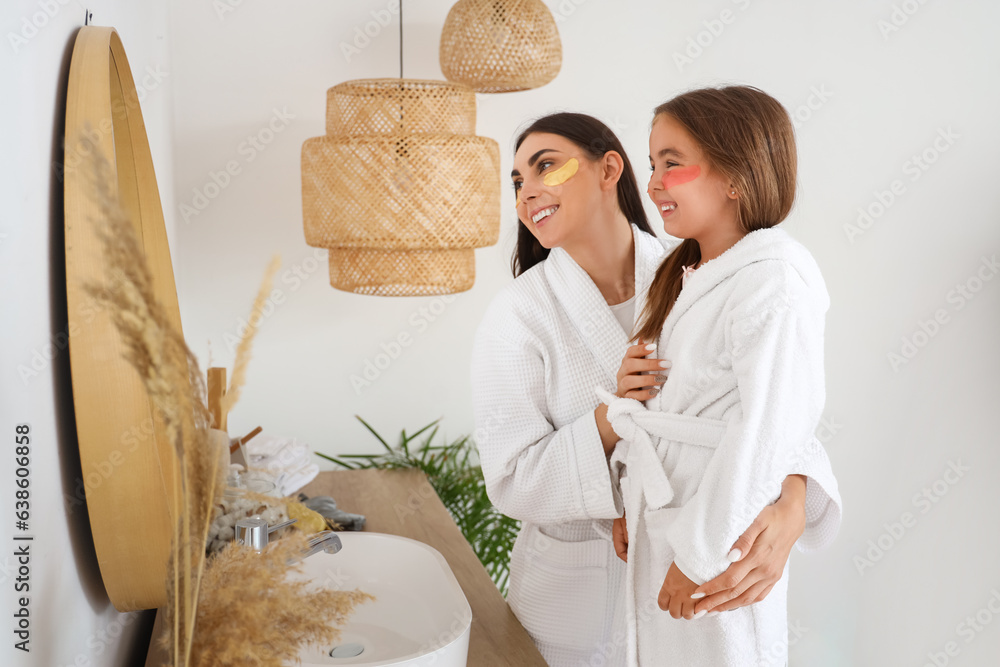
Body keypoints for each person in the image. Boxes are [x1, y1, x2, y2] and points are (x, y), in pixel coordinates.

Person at [470, 111, 840, 666]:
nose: (526, 193)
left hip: (693, 586)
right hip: (573, 601)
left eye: (546, 166)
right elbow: (509, 480)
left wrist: (792, 497)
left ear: (608, 168)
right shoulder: (520, 315)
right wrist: (610, 421)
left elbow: (776, 401)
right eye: (518, 182)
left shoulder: (700, 273)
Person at [602, 86, 839, 665]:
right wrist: (626, 496)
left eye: (672, 164)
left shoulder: (775, 280)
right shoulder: (682, 271)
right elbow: (666, 406)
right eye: (652, 163)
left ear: (736, 176)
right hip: (664, 515)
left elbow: (769, 427)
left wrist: (700, 558)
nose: (653, 183)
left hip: (722, 532)